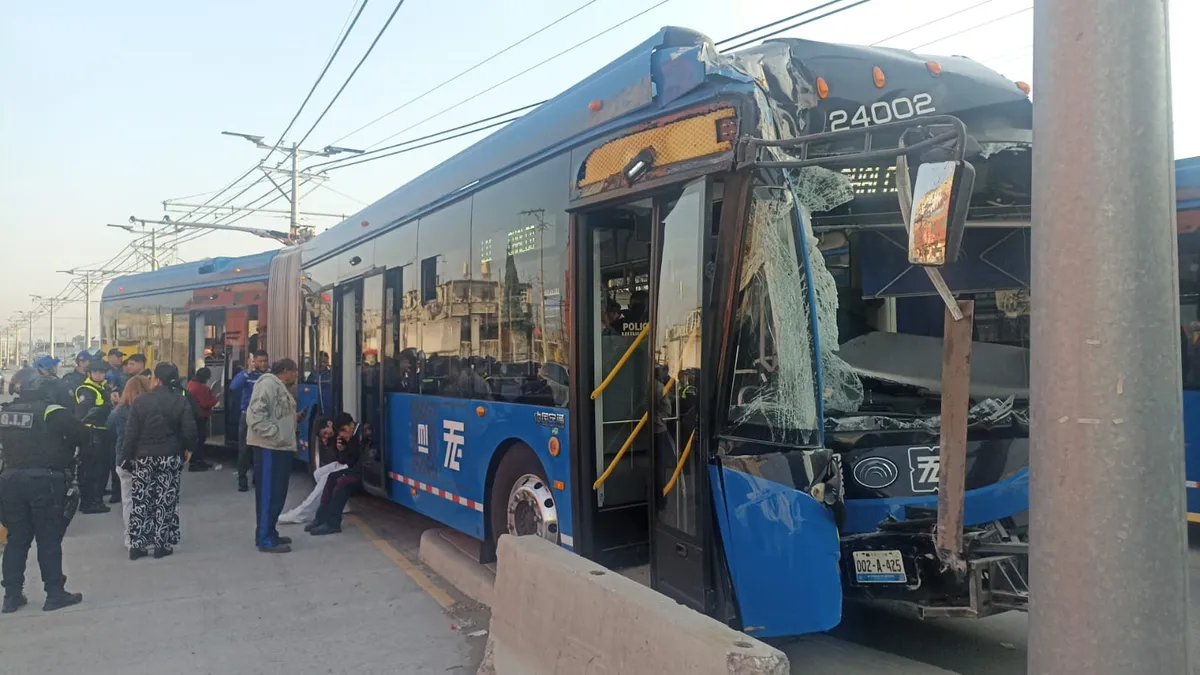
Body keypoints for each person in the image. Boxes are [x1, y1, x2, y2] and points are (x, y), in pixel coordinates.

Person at [0, 374, 88, 613]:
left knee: (17, 539)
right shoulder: (52, 411)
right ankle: (55, 593)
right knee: (48, 538)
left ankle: (11, 595)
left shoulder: (6, 411)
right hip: (44, 480)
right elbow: (82, 435)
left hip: (10, 480)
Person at [120, 363, 197, 560]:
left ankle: (137, 546)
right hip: (169, 455)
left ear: (156, 379)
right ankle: (161, 545)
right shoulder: (180, 401)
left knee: (141, 500)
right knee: (165, 499)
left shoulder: (141, 400)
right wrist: (189, 449)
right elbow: (189, 430)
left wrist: (126, 456)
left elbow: (131, 432)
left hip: (143, 456)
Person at [247, 358, 300, 553]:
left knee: (278, 494)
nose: (296, 375)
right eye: (295, 371)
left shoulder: (280, 387)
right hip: (270, 448)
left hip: (281, 448)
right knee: (269, 494)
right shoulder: (267, 384)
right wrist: (276, 434)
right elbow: (255, 416)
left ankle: (269, 530)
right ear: (285, 371)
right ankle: (264, 539)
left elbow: (278, 413)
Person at [107, 375, 151, 551]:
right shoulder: (150, 408)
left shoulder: (119, 410)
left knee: (128, 501)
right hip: (146, 457)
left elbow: (109, 428)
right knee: (147, 499)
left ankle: (130, 537)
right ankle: (146, 534)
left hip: (124, 460)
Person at [277, 417, 343, 526]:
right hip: (344, 462)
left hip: (350, 464)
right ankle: (329, 504)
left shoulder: (342, 429)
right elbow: (336, 457)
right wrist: (328, 444)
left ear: (329, 423)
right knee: (318, 474)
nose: (327, 436)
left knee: (326, 478)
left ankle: (302, 513)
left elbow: (345, 456)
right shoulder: (334, 435)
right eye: (324, 435)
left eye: (326, 432)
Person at [308, 414, 365, 536]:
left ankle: (333, 523)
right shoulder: (347, 438)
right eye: (341, 432)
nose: (345, 434)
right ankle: (321, 516)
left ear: (351, 425)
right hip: (354, 469)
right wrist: (342, 450)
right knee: (331, 477)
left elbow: (358, 459)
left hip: (363, 472)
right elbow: (346, 461)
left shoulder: (361, 434)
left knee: (343, 481)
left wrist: (349, 446)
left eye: (345, 430)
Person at [73, 359, 114, 514]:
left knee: (101, 467)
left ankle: (97, 495)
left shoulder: (102, 387)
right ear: (89, 373)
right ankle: (89, 502)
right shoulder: (85, 389)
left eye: (102, 372)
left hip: (102, 431)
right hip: (91, 432)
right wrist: (107, 406)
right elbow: (87, 413)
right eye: (96, 372)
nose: (99, 374)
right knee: (91, 469)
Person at [230, 350, 269, 492]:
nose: (263, 364)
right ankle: (242, 480)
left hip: (263, 417)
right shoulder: (246, 375)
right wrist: (248, 371)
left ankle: (257, 480)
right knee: (244, 451)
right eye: (260, 361)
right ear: (254, 362)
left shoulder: (270, 375)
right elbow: (234, 387)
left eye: (265, 360)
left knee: (260, 450)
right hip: (247, 416)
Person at [186, 367, 219, 472]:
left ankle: (197, 461)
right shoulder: (201, 388)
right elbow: (205, 403)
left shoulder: (190, 384)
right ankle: (196, 462)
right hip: (200, 416)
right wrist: (215, 400)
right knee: (200, 440)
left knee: (196, 440)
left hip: (192, 415)